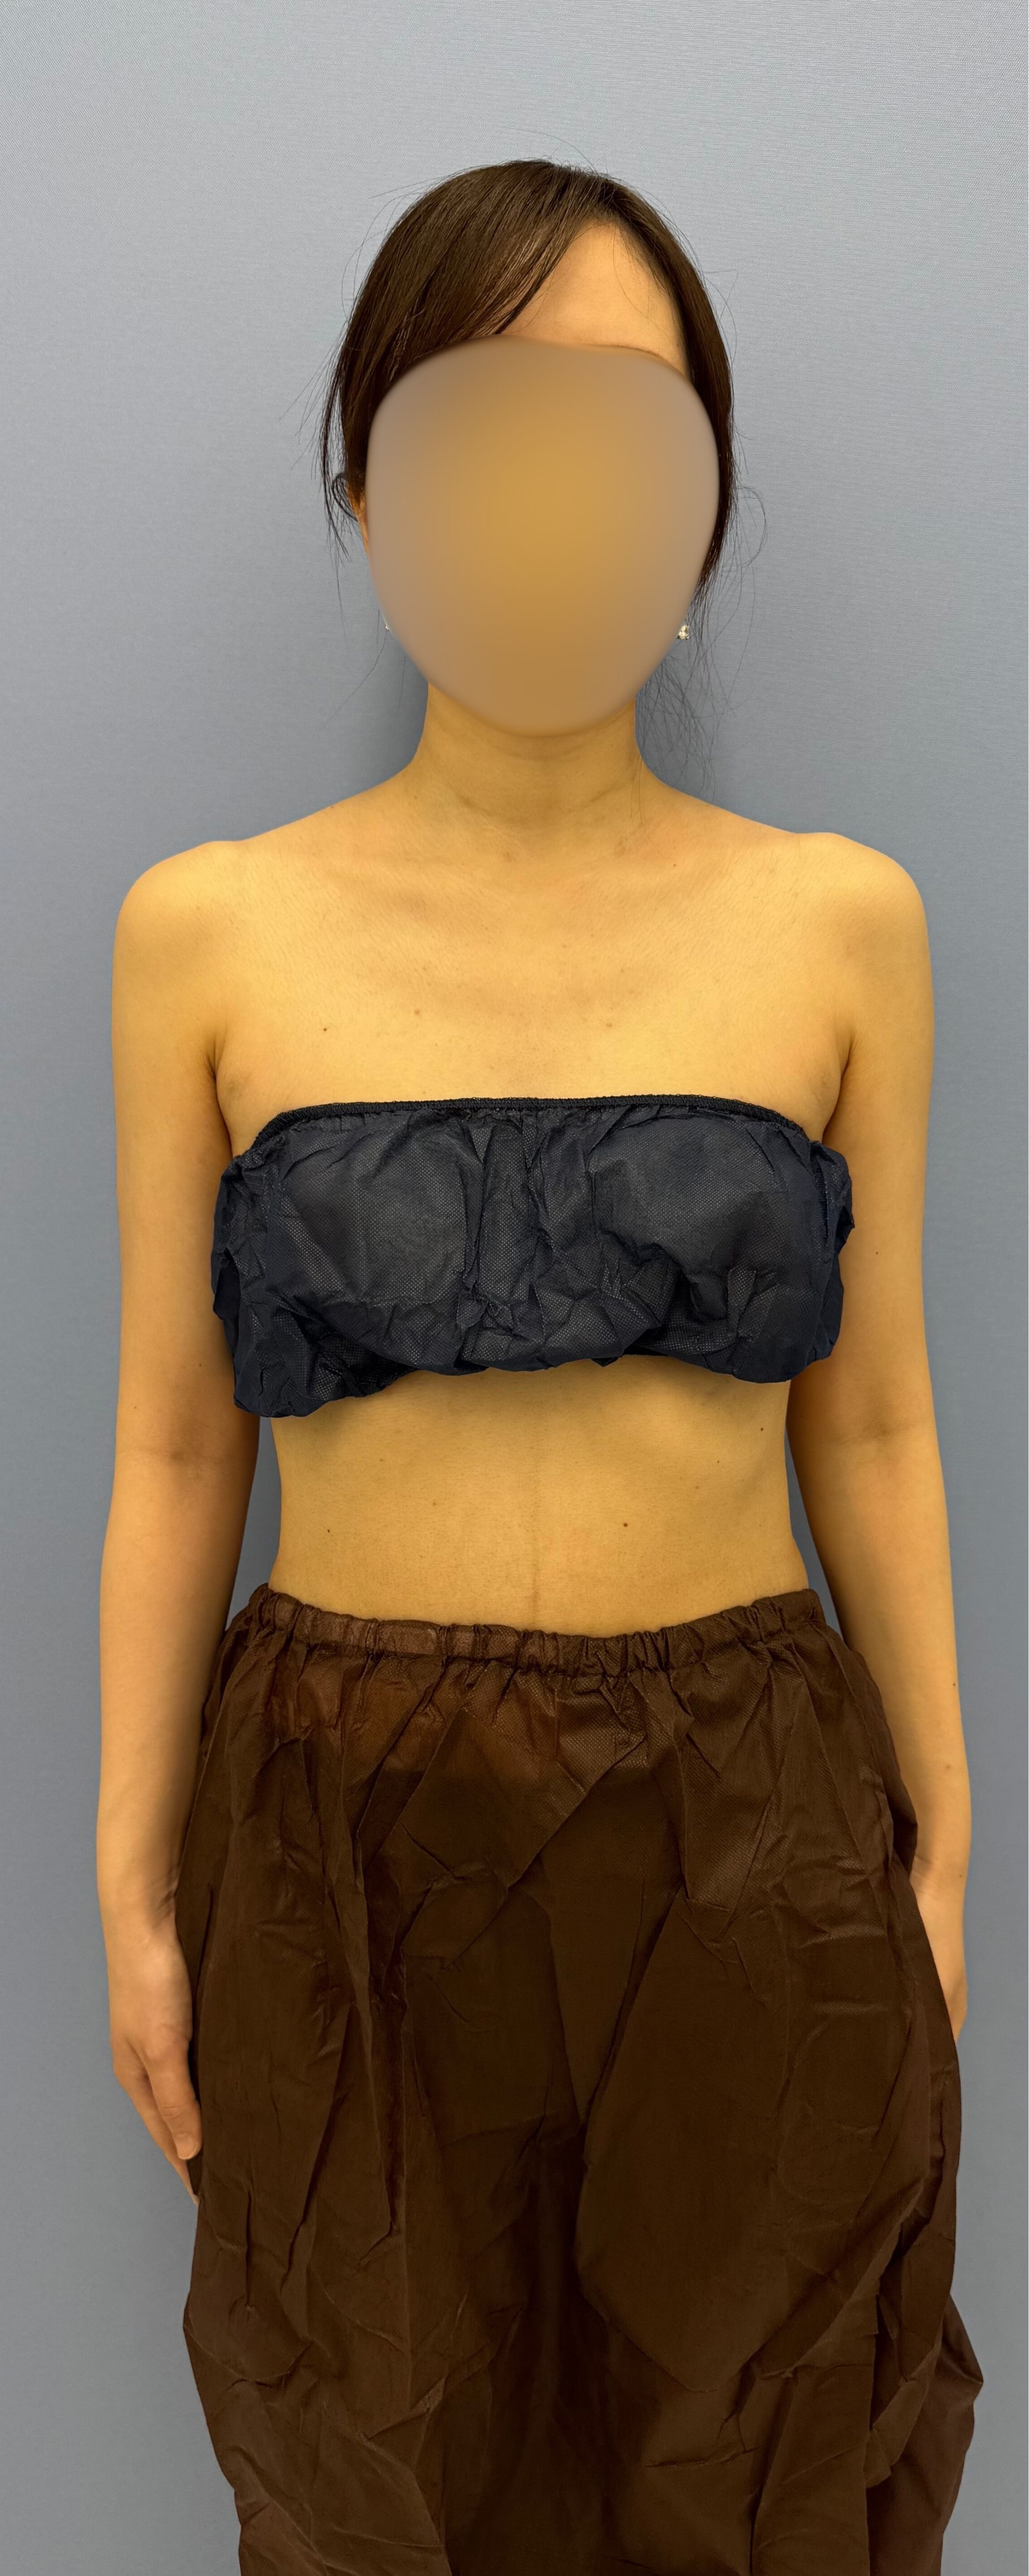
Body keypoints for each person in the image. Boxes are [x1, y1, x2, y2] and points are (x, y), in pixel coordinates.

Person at [96, 158, 983, 2575]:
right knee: (368, 2478)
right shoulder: (209, 935)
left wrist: (944, 1836)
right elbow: (173, 1443)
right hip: (334, 1820)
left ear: (698, 503)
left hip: (747, 1811)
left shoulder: (837, 925)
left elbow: (873, 1414)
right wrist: (131, 1879)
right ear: (368, 484)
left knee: (761, 2469)